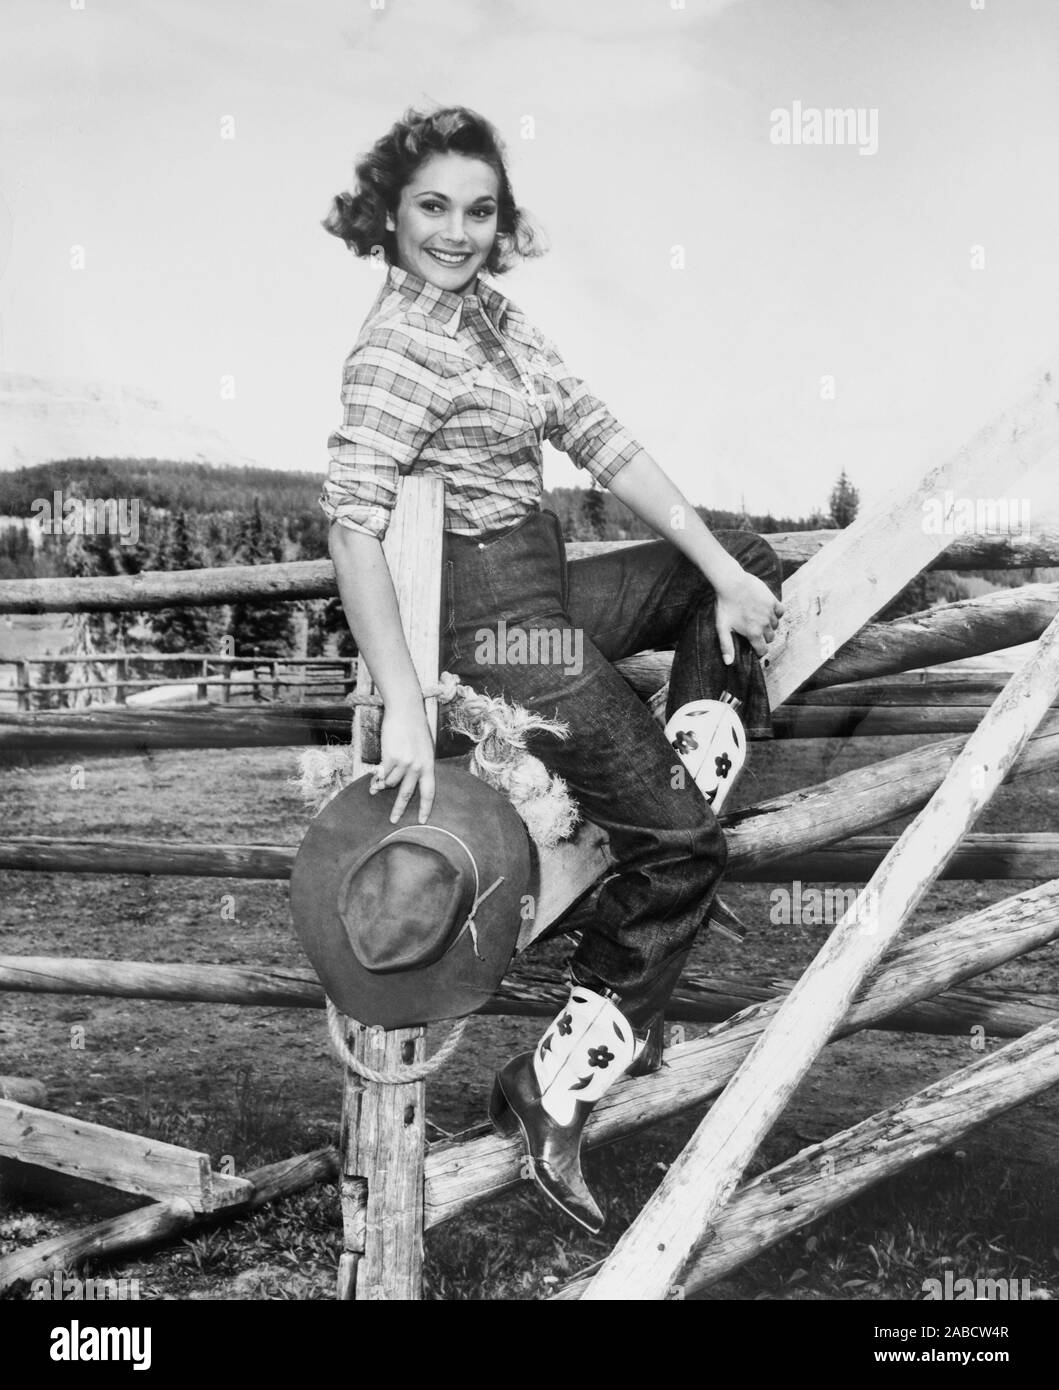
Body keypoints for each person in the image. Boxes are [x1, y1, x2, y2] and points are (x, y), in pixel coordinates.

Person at [320, 105, 784, 1233]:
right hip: (488, 625)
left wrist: (719, 567)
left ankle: (652, 816)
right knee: (684, 844)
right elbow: (351, 526)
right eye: (433, 206)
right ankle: (552, 1087)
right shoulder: (395, 346)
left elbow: (598, 433)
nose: (458, 230)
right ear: (389, 211)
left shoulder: (490, 316)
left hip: (538, 580)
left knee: (740, 564)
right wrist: (404, 699)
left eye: (479, 209)